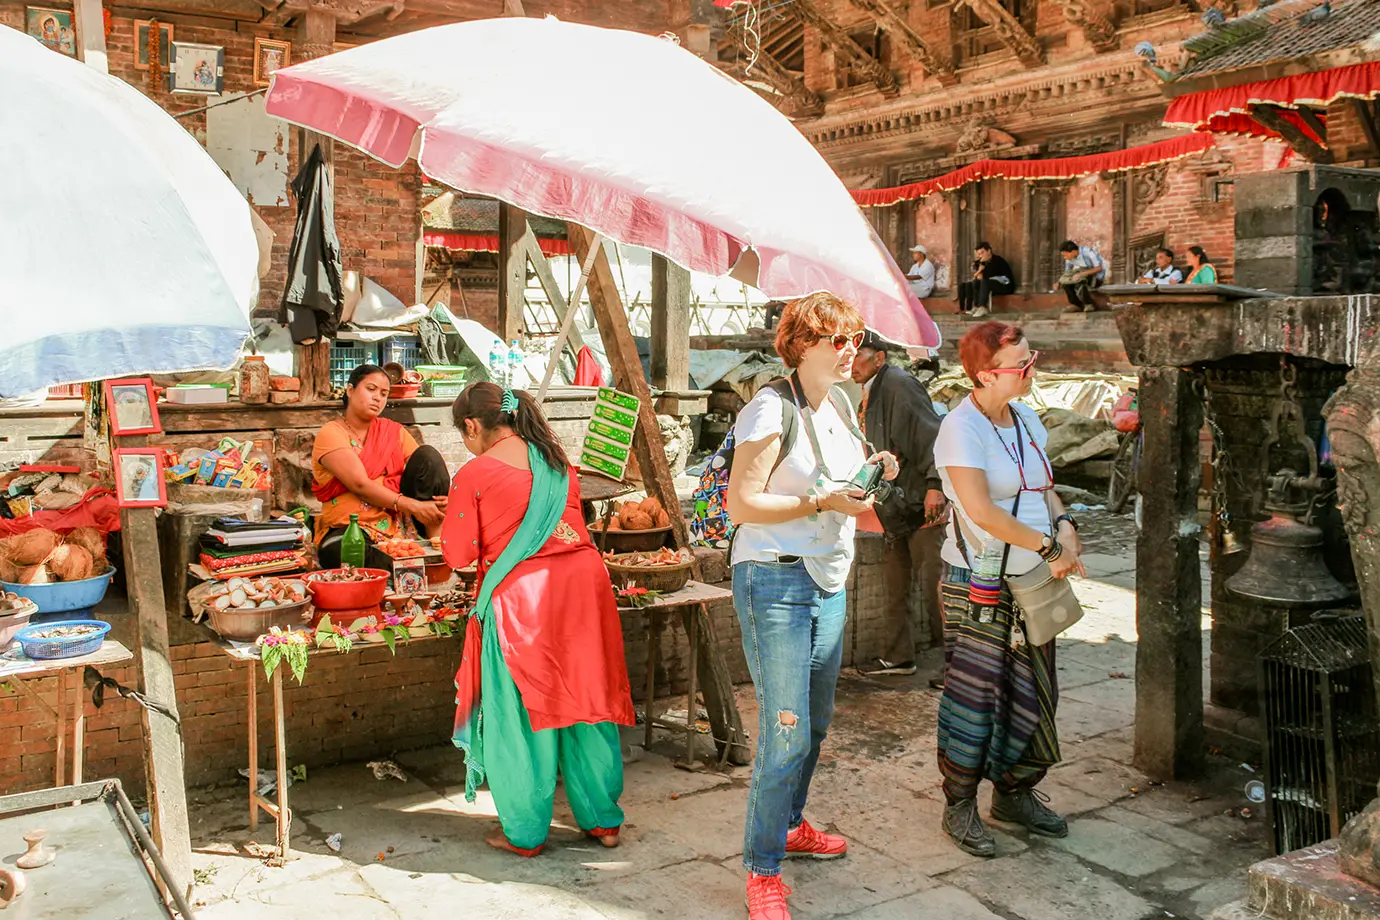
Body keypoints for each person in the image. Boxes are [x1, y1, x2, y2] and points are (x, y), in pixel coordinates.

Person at [726, 292, 899, 920]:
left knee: (816, 723)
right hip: (775, 579)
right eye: (837, 340)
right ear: (801, 345)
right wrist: (823, 504)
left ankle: (792, 824)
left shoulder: (843, 404)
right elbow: (742, 506)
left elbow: (834, 478)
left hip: (827, 579)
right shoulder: (770, 409)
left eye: (856, 338)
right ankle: (762, 869)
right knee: (784, 731)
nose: (851, 349)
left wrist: (873, 470)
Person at [442, 381, 635, 857]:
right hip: (585, 590)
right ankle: (604, 821)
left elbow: (457, 554)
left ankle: (525, 832)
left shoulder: (475, 472)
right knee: (587, 702)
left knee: (523, 713)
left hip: (524, 599)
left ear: (472, 426)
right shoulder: (557, 461)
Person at [933, 321, 1085, 858]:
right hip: (979, 580)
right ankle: (960, 804)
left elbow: (1045, 490)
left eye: (1030, 358)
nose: (1030, 370)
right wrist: (1048, 547)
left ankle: (1015, 791)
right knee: (976, 696)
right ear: (983, 374)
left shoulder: (1025, 420)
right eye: (1021, 364)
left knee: (1034, 689)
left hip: (1031, 581)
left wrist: (1064, 528)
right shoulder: (960, 428)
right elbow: (980, 509)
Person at [850, 330, 947, 680]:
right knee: (895, 584)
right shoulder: (870, 391)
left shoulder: (899, 385)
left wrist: (936, 485)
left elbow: (931, 436)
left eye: (859, 352)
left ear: (879, 357)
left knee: (937, 586)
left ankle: (959, 665)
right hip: (895, 506)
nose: (852, 361)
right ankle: (898, 657)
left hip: (922, 502)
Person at [312, 364, 451, 568]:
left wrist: (447, 500)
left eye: (384, 393)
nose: (378, 398)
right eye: (371, 389)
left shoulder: (393, 432)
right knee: (343, 552)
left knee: (428, 456)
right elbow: (360, 485)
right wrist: (414, 506)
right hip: (349, 527)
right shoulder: (332, 433)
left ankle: (437, 549)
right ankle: (410, 565)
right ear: (350, 390)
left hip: (398, 525)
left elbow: (426, 472)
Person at [958, 242, 1015, 318]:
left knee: (985, 282)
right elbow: (978, 277)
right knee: (974, 283)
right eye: (979, 254)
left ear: (989, 251)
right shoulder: (980, 263)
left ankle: (982, 307)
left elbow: (984, 277)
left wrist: (982, 265)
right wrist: (981, 264)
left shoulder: (997, 260)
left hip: (1004, 285)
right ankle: (976, 306)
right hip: (989, 285)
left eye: (982, 252)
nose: (981, 255)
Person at [1056, 239, 1106, 313]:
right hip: (1081, 275)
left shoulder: (1088, 252)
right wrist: (1058, 282)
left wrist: (1082, 274)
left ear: (1073, 252)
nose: (1064, 257)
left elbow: (1099, 268)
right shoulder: (1069, 258)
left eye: (1065, 255)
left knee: (1079, 280)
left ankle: (1089, 304)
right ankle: (1076, 305)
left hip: (1096, 278)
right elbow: (1067, 273)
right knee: (1065, 283)